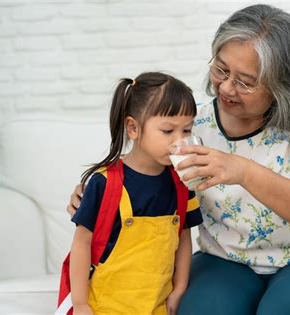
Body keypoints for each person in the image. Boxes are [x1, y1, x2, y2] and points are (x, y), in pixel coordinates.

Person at [68, 4, 290, 315]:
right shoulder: (190, 120)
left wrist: (241, 170)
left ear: (283, 83)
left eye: (246, 81)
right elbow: (143, 168)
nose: (225, 87)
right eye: (221, 70)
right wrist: (98, 192)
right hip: (224, 262)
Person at [65, 72, 203, 315]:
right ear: (133, 128)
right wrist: (80, 304)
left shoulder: (182, 183)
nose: (179, 141)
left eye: (187, 130)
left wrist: (180, 287)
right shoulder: (103, 183)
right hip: (105, 307)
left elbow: (183, 239)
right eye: (168, 131)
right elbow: (81, 243)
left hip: (157, 307)